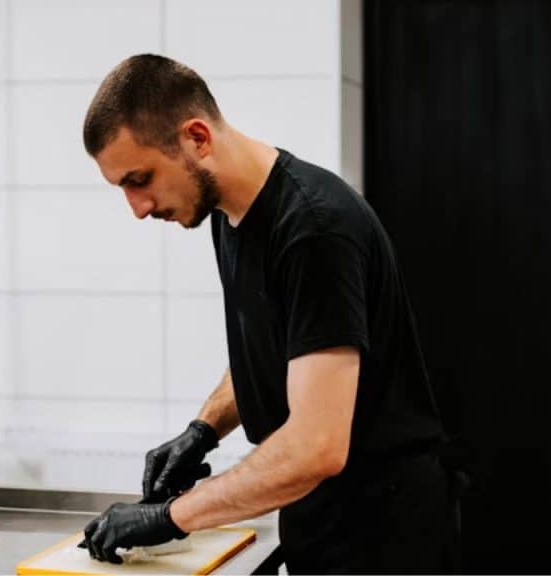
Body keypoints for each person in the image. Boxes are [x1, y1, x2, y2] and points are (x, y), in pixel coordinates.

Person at [80, 54, 452, 574]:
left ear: (197, 138)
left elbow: (316, 448)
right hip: (322, 520)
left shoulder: (315, 230)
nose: (137, 207)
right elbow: (283, 345)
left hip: (382, 537)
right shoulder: (229, 217)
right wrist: (203, 430)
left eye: (140, 179)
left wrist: (171, 516)